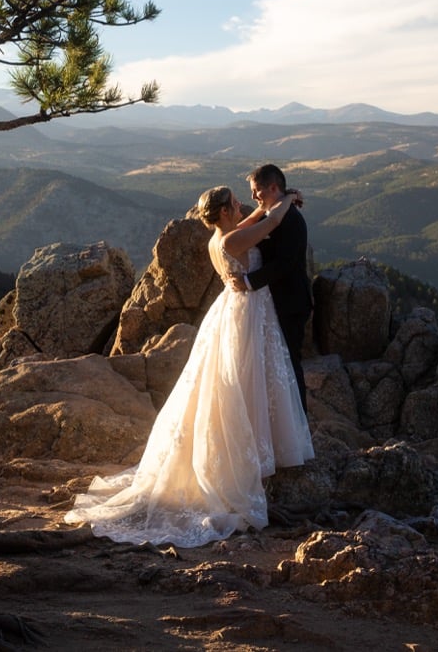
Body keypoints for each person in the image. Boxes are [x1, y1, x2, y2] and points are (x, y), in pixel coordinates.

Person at [64, 186, 314, 547]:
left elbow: (253, 220)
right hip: (246, 316)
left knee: (238, 382)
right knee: (244, 382)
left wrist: (264, 206)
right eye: (235, 204)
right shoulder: (232, 242)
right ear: (225, 212)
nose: (241, 206)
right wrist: (286, 199)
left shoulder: (220, 239)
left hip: (235, 310)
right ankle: (245, 465)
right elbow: (271, 221)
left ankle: (257, 454)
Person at [232, 164, 311, 414]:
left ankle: (299, 420)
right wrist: (288, 197)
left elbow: (284, 264)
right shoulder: (274, 213)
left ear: (273, 188)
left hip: (291, 303)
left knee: (290, 364)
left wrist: (248, 282)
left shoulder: (290, 220)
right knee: (278, 364)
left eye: (257, 191)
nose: (253, 197)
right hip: (273, 302)